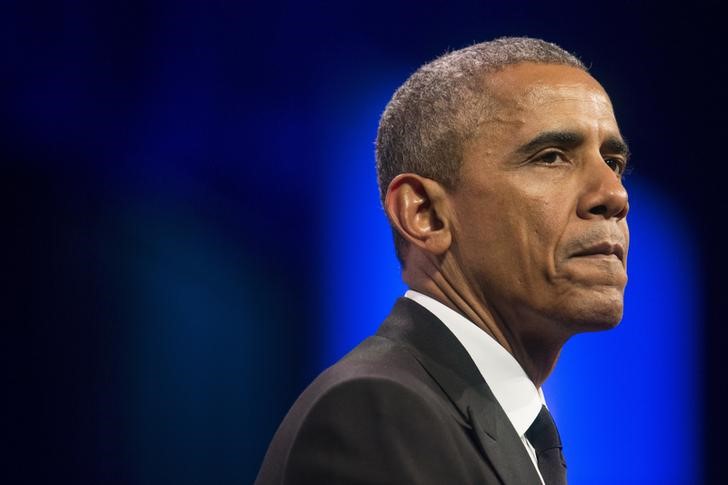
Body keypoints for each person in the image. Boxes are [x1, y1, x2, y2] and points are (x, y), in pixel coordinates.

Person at [256, 37, 630, 485]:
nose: (613, 194)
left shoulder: (487, 423)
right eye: (551, 157)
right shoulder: (379, 413)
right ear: (425, 214)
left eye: (613, 161)